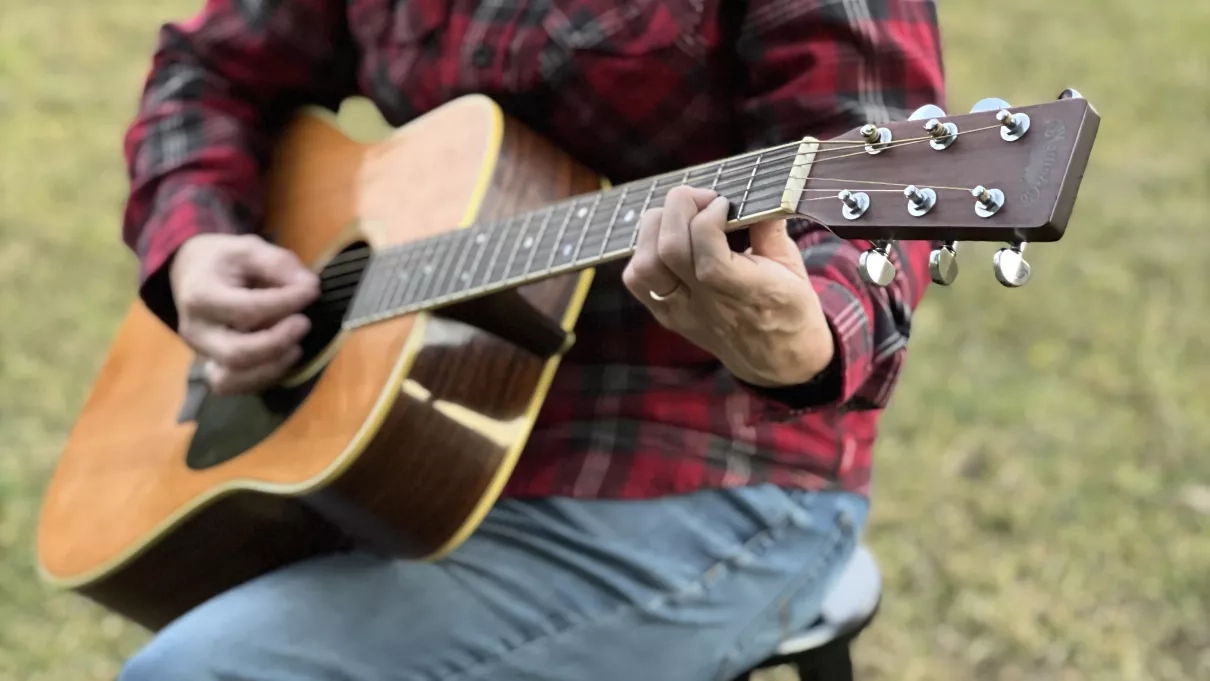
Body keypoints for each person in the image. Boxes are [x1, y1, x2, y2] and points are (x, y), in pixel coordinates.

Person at [116, 0, 945, 678]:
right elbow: (209, 68)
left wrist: (800, 335)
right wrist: (193, 241)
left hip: (697, 464)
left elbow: (870, 163)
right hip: (409, 434)